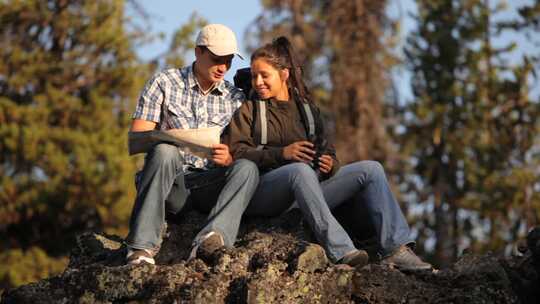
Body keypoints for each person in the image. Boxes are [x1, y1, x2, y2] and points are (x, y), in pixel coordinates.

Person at [227, 36, 432, 271]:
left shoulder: (307, 111)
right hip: (265, 192)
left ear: (284, 74)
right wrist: (281, 153)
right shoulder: (249, 109)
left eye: (264, 75)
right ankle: (341, 251)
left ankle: (395, 249)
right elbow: (236, 153)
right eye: (254, 76)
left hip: (307, 192)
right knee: (299, 171)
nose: (258, 82)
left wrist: (330, 163)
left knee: (371, 169)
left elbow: (327, 150)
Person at [124, 24, 259, 265]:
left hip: (210, 183)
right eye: (217, 59)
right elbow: (138, 138)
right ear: (198, 52)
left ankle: (210, 240)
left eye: (228, 61)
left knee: (247, 168)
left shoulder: (235, 98)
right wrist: (176, 139)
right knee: (165, 151)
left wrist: (229, 157)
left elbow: (242, 148)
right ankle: (141, 249)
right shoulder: (164, 83)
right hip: (173, 185)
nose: (223, 68)